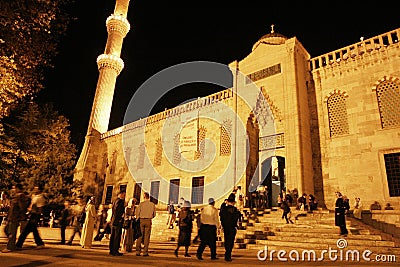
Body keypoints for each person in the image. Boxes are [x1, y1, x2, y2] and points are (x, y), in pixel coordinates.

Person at [16, 185, 46, 249]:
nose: (35, 190)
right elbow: (28, 198)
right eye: (34, 188)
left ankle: (19, 244)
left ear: (40, 190)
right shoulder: (34, 196)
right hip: (32, 214)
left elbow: (40, 209)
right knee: (33, 230)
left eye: (36, 189)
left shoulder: (40, 198)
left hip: (35, 215)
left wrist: (35, 213)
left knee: (26, 230)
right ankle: (40, 243)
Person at [2, 184, 29, 253]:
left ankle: (10, 247)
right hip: (11, 217)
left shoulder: (20, 196)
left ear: (18, 189)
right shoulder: (15, 197)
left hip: (14, 217)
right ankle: (12, 244)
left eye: (14, 188)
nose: (13, 190)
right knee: (6, 230)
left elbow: (22, 207)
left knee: (12, 232)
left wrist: (21, 216)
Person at [219, 193, 241, 261]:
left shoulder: (224, 209)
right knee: (230, 241)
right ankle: (228, 254)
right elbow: (237, 218)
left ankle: (227, 253)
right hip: (232, 227)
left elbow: (221, 216)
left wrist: (224, 202)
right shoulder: (235, 210)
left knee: (227, 240)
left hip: (226, 227)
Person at [135, 192, 156, 256]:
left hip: (141, 220)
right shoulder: (152, 204)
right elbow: (154, 214)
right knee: (147, 236)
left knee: (140, 235)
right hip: (148, 220)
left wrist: (138, 218)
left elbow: (137, 213)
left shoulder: (141, 204)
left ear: (144, 197)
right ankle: (145, 251)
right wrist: (150, 216)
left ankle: (138, 251)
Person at [109, 190, 126, 256]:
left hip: (113, 220)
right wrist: (119, 219)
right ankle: (115, 250)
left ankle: (111, 249)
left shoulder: (115, 201)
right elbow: (117, 212)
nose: (124, 196)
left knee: (113, 236)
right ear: (120, 194)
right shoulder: (120, 202)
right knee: (116, 236)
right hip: (117, 221)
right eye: (124, 195)